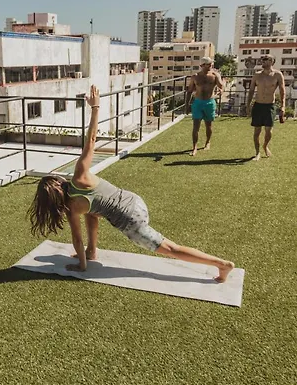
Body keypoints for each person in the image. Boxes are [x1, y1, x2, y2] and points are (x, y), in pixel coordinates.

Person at [28, 85, 234, 283]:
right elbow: (90, 140)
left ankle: (221, 264)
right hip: (135, 201)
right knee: (91, 211)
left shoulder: (71, 208)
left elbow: (76, 239)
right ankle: (92, 252)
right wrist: (95, 107)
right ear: (60, 182)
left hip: (130, 220)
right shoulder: (80, 178)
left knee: (171, 249)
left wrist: (81, 267)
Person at [246, 54, 285, 161]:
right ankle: (257, 153)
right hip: (258, 105)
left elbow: (282, 91)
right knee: (257, 131)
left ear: (272, 61)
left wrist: (283, 106)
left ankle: (265, 146)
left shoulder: (277, 75)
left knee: (269, 131)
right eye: (262, 59)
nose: (262, 61)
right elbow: (251, 91)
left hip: (269, 106)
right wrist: (248, 105)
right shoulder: (257, 75)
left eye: (265, 59)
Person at [185, 57, 224, 156]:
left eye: (211, 64)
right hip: (198, 103)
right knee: (196, 126)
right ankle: (194, 147)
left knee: (208, 125)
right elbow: (189, 91)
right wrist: (187, 105)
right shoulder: (195, 77)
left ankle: (207, 142)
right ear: (202, 65)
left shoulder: (215, 75)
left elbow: (221, 86)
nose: (211, 65)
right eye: (209, 64)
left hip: (209, 102)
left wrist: (221, 90)